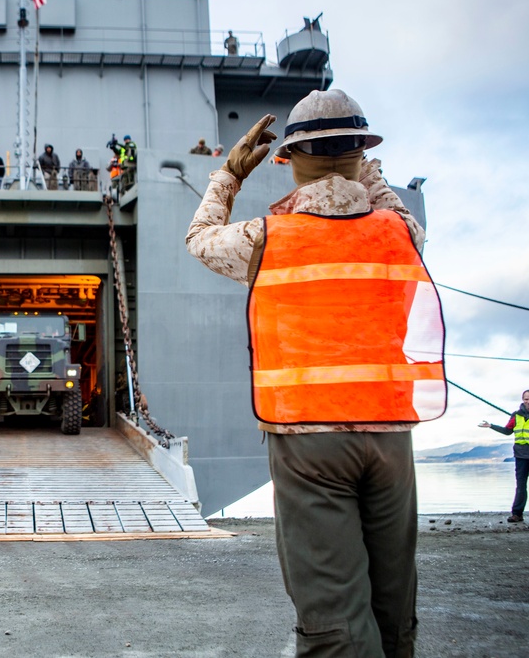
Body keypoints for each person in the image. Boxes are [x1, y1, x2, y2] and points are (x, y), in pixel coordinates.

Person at [184, 89, 445, 657]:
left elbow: (199, 239)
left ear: (288, 160)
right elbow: (388, 202)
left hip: (308, 441)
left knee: (333, 616)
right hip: (390, 437)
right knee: (393, 606)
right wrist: (364, 167)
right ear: (361, 153)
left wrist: (228, 174)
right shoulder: (399, 233)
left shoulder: (268, 238)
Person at [479, 389, 529, 522]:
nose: (527, 401)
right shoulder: (516, 416)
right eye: (525, 398)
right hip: (521, 456)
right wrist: (491, 426)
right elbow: (507, 431)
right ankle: (517, 514)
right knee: (521, 485)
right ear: (522, 399)